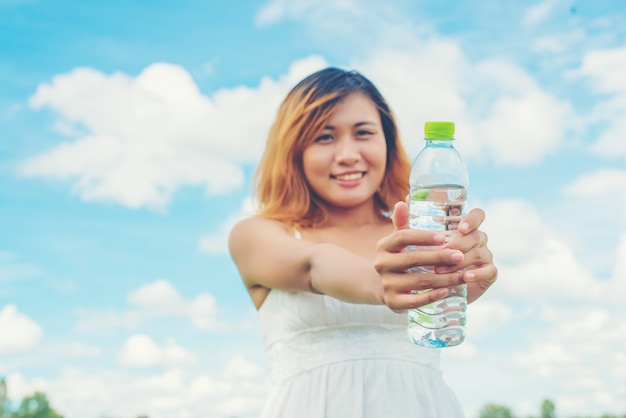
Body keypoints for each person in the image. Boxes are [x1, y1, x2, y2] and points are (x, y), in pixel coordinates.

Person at [228, 67, 497, 417]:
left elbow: (445, 304)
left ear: (387, 142)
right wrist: (384, 283)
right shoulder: (258, 235)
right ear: (295, 151)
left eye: (363, 133)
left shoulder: (421, 239)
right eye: (325, 137)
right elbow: (315, 265)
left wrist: (459, 279)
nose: (348, 154)